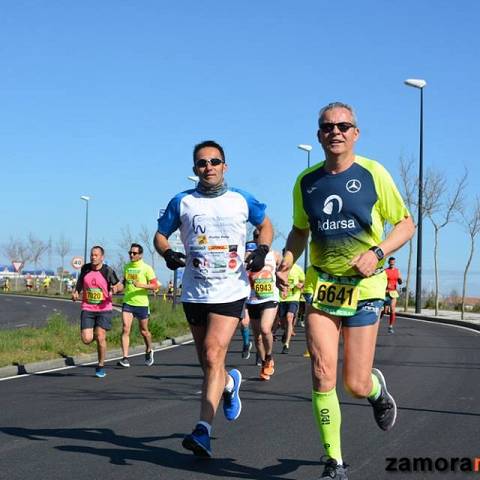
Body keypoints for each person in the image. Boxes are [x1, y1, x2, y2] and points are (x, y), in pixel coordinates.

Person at [277, 102, 415, 479]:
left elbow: (405, 225)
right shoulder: (306, 182)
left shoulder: (373, 173)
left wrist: (377, 252)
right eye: (327, 127)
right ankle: (334, 462)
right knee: (322, 372)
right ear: (319, 134)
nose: (335, 132)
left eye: (343, 126)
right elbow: (300, 229)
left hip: (365, 287)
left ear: (355, 132)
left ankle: (374, 390)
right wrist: (289, 257)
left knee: (354, 383)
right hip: (322, 286)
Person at [155, 139, 273, 457]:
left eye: (214, 161)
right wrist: (167, 254)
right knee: (209, 366)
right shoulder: (183, 202)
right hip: (195, 291)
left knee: (211, 354)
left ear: (225, 165)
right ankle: (230, 385)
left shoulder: (240, 199)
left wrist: (261, 250)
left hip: (230, 290)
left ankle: (203, 430)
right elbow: (160, 235)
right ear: (195, 169)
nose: (209, 167)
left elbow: (265, 225)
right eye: (202, 163)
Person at [72, 245, 123, 378]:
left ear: (102, 257)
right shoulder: (86, 268)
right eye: (92, 255)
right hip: (88, 308)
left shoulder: (107, 271)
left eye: (96, 255)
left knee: (100, 336)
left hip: (104, 309)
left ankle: (100, 365)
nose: (93, 257)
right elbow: (79, 283)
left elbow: (119, 285)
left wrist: (116, 288)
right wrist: (76, 292)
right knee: (86, 339)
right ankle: (94, 333)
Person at [246, 233, 281, 381]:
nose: (259, 240)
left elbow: (282, 270)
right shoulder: (248, 254)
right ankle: (264, 363)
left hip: (270, 297)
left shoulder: (276, 255)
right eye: (256, 238)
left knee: (265, 328)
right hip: (253, 298)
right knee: (257, 337)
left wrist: (282, 282)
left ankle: (268, 356)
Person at [117, 243, 159, 368]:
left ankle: (149, 350)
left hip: (141, 304)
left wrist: (142, 285)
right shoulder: (127, 267)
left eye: (134, 253)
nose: (131, 255)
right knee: (125, 328)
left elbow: (155, 285)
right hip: (128, 302)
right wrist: (114, 289)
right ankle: (125, 358)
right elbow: (124, 284)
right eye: (130, 252)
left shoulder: (147, 268)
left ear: (140, 255)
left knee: (144, 331)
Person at [278, 262, 304, 354]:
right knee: (282, 322)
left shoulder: (298, 268)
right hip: (281, 298)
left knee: (290, 317)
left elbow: (303, 281)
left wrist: (300, 285)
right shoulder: (279, 268)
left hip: (294, 298)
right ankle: (286, 332)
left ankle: (286, 344)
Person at [383, 256, 403, 334]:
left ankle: (390, 326)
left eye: (393, 263)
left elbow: (400, 282)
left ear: (394, 263)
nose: (392, 264)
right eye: (391, 263)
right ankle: (379, 320)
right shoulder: (385, 271)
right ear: (389, 263)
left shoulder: (397, 271)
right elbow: (382, 281)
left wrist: (400, 280)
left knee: (392, 309)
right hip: (385, 292)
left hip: (393, 292)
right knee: (384, 311)